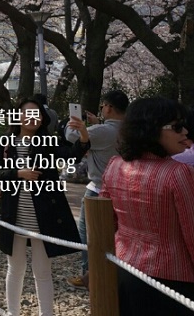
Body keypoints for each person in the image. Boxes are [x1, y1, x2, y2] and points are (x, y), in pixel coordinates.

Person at [100, 97, 194, 315]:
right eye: (177, 126)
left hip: (124, 269)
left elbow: (105, 223)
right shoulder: (178, 173)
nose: (185, 132)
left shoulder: (115, 166)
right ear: (151, 129)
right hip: (172, 282)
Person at [0, 97, 80, 316]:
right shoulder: (6, 142)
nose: (32, 118)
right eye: (27, 113)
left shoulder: (48, 142)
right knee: (15, 268)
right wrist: (19, 173)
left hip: (44, 214)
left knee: (43, 271)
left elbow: (72, 155)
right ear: (18, 117)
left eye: (36, 114)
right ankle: (12, 312)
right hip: (14, 214)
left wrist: (83, 135)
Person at [63, 88, 128, 289]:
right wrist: (94, 124)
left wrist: (73, 119)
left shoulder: (101, 131)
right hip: (123, 187)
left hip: (98, 188)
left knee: (88, 235)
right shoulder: (128, 129)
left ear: (108, 107)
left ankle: (90, 277)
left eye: (103, 106)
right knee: (115, 235)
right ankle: (110, 276)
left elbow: (71, 136)